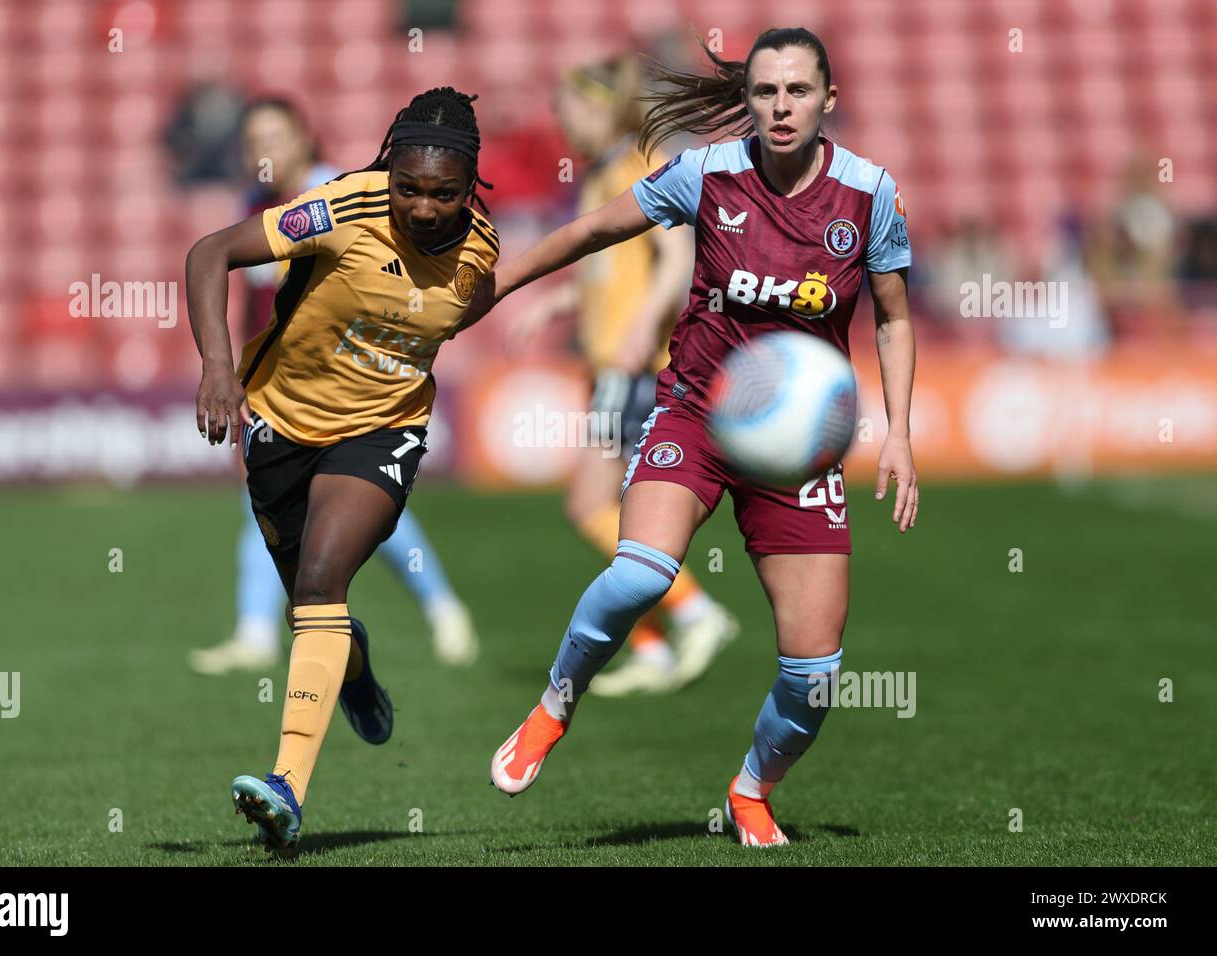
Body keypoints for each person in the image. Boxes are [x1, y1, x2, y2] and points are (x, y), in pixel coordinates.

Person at [481, 28, 919, 847]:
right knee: (640, 572)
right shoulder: (705, 174)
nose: (781, 106)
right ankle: (553, 707)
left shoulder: (870, 195)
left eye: (797, 91)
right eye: (765, 92)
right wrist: (501, 283)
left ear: (830, 99)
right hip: (696, 412)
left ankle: (752, 791)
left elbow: (893, 320)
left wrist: (898, 434)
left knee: (816, 676)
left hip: (802, 447)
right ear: (746, 101)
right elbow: (590, 234)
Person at [185, 87, 499, 853]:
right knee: (315, 611)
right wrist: (220, 367)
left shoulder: (481, 247)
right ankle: (354, 671)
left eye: (444, 194)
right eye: (409, 189)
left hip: (383, 430)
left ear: (470, 187)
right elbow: (210, 254)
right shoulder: (336, 208)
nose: (424, 208)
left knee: (323, 582)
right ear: (388, 172)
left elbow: (476, 298)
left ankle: (287, 786)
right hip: (280, 426)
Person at [509, 56, 738, 696]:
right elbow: (609, 272)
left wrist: (644, 327)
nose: (565, 125)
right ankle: (656, 645)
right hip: (609, 363)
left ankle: (695, 612)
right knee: (618, 510)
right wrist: (560, 303)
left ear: (602, 107)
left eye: (571, 111)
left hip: (633, 367)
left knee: (590, 503)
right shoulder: (602, 175)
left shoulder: (638, 165)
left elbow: (675, 256)